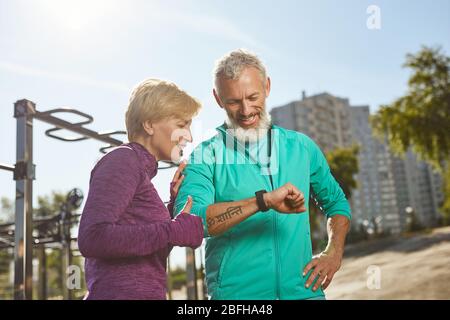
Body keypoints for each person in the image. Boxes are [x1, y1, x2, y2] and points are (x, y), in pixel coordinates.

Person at [174, 49, 351, 300]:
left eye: (252, 97)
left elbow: (336, 204)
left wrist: (333, 253)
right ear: (217, 98)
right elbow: (190, 222)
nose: (246, 111)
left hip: (304, 294)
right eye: (233, 101)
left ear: (267, 87)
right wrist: (262, 201)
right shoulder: (205, 155)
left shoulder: (301, 147)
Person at [78, 78, 204, 300]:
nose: (189, 136)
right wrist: (173, 230)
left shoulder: (138, 169)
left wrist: (172, 209)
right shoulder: (123, 159)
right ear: (149, 124)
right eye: (182, 125)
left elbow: (147, 255)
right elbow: (92, 238)